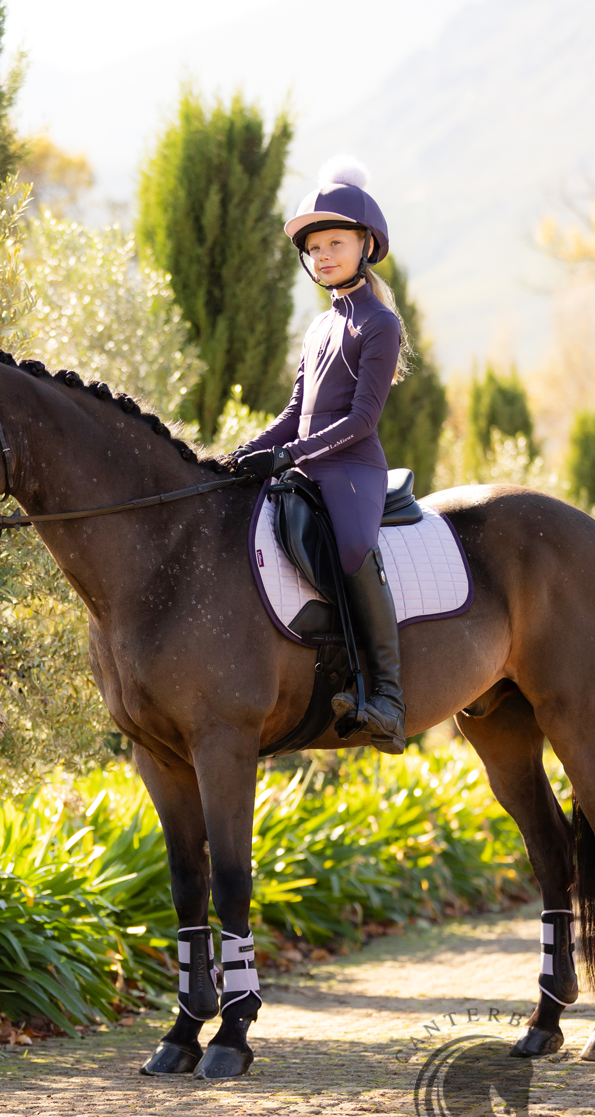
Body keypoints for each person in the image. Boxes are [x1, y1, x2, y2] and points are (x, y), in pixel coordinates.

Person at [233, 156, 409, 754]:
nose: (323, 255)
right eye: (313, 248)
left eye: (335, 242)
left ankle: (387, 695)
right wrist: (245, 453)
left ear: (366, 245)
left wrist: (291, 456)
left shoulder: (379, 324)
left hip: (351, 467)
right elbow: (293, 414)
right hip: (307, 461)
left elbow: (361, 421)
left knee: (354, 548)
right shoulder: (318, 328)